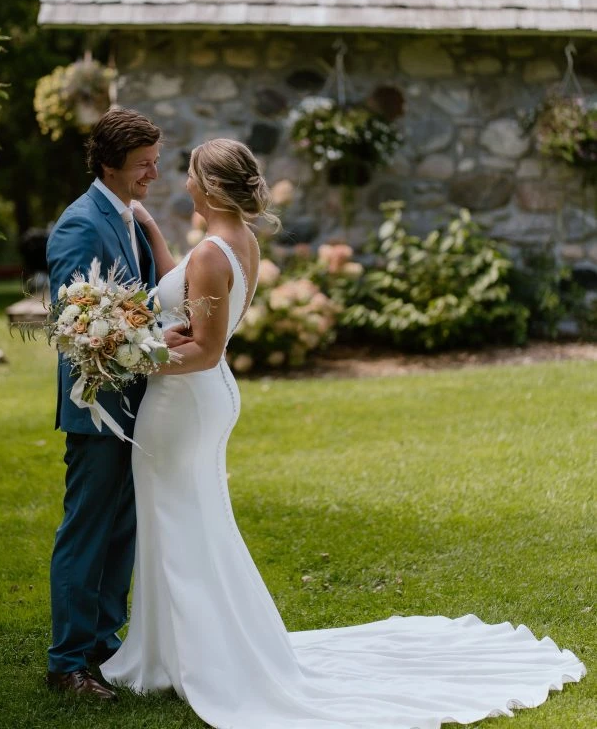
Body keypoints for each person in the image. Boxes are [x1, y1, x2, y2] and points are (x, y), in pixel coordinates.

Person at [101, 136, 585, 728]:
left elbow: (200, 350)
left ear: (209, 186)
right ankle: (174, 650)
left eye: (190, 176)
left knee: (179, 520)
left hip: (184, 399)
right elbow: (193, 297)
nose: (183, 185)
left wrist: (128, 358)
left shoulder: (210, 253)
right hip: (206, 399)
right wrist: (151, 231)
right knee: (193, 519)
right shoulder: (238, 242)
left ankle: (192, 657)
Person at [45, 108, 188, 700]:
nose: (154, 173)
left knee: (122, 530)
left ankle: (105, 644)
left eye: (155, 161)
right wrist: (154, 345)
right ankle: (68, 661)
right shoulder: (80, 224)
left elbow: (142, 300)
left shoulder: (129, 213)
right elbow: (80, 324)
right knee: (87, 531)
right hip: (99, 405)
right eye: (144, 164)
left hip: (139, 405)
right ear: (112, 162)